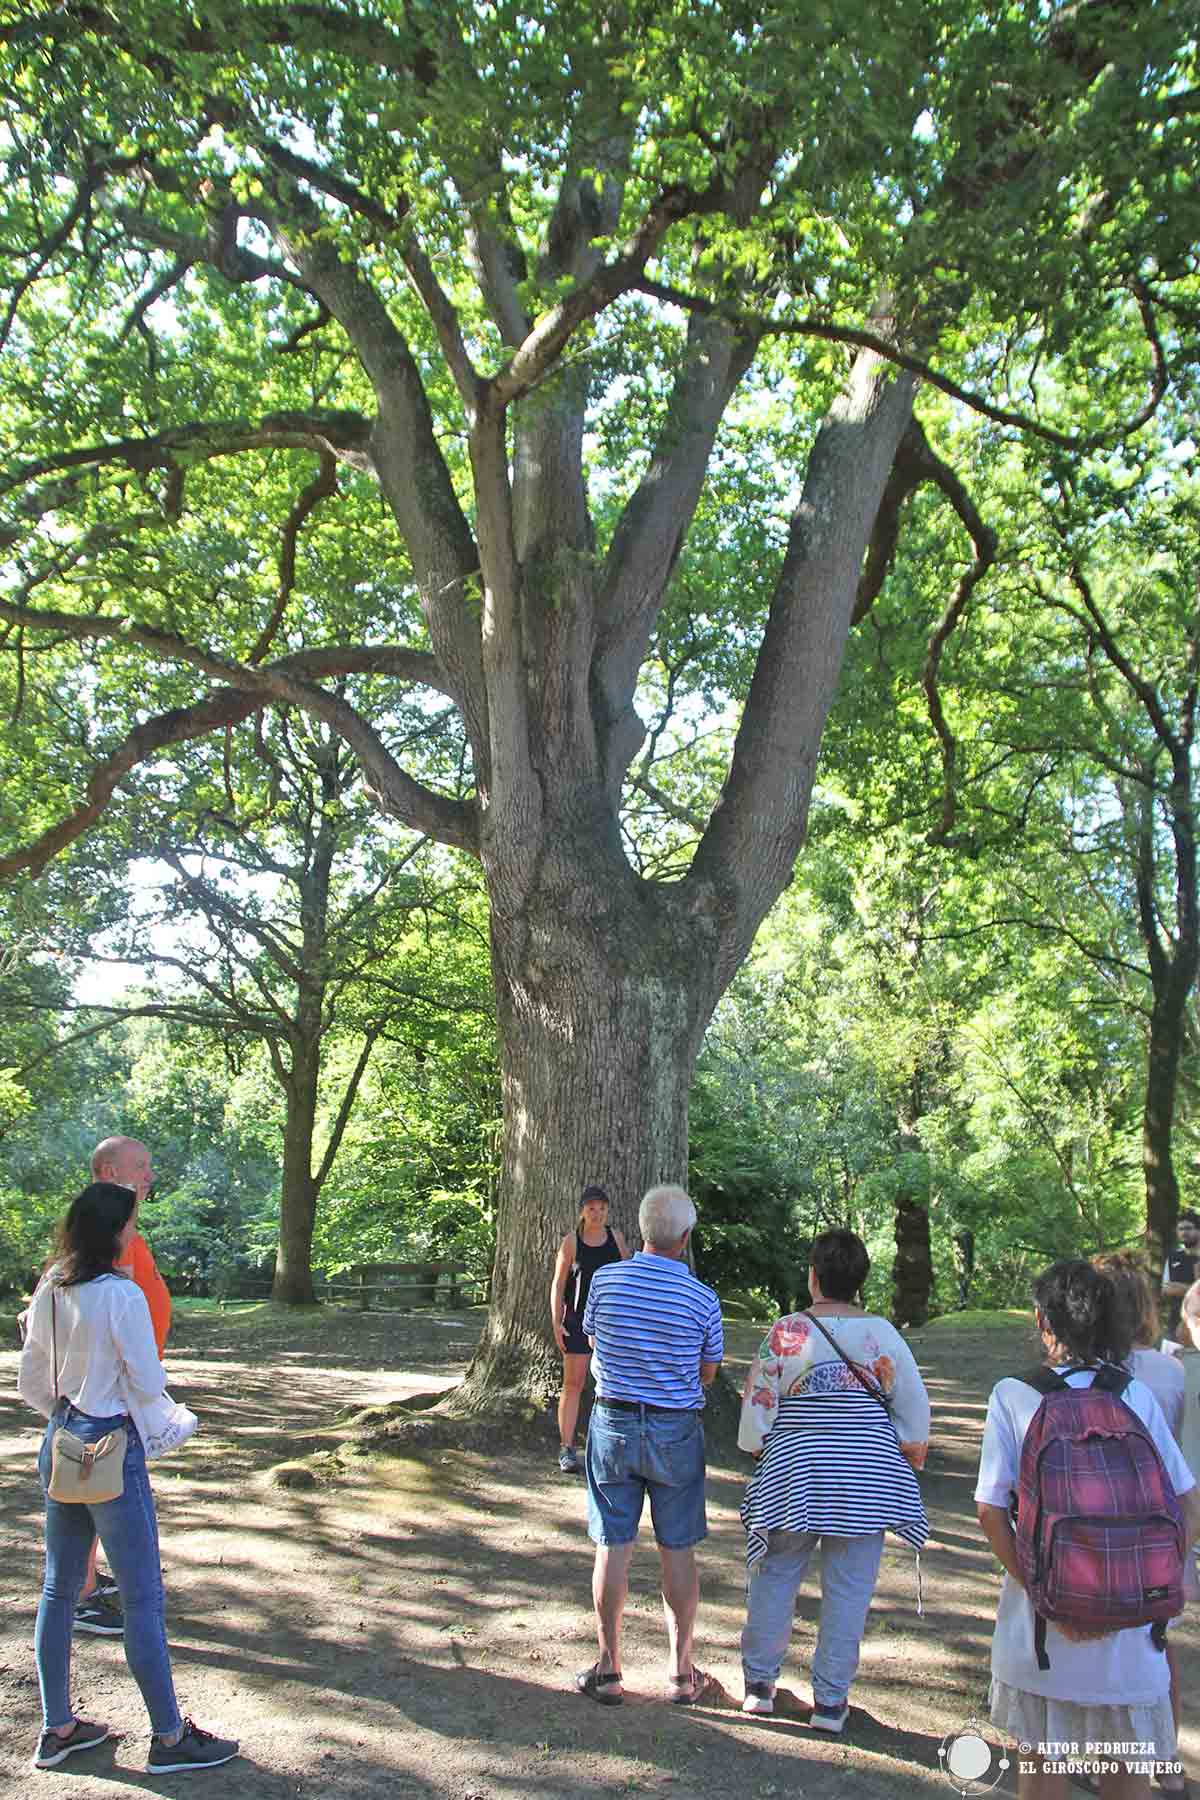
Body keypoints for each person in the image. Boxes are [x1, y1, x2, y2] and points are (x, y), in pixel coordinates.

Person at [18, 1180, 237, 1776]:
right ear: (114, 1233)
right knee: (142, 1596)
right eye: (132, 1224)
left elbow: (32, 1378)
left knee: (59, 1589)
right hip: (112, 1444)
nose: (135, 1233)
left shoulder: (51, 1290)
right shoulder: (122, 1296)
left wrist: (67, 1415)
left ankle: (57, 1727)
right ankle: (169, 1738)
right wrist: (176, 1420)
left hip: (59, 1439)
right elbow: (144, 1376)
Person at [975, 1260, 1200, 1800]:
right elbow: (1188, 1503)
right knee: (1125, 1778)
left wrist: (1044, 1590)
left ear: (1042, 1320)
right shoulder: (1135, 1395)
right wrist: (1149, 1587)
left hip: (1043, 1637)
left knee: (1043, 1777)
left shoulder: (1013, 1394)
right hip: (1129, 1637)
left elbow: (989, 1509)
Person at [736, 1228, 929, 1729]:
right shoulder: (884, 1335)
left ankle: (759, 1686)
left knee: (775, 1574)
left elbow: (757, 1414)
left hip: (793, 1471)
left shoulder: (787, 1332)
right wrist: (906, 1448)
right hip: (866, 1473)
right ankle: (830, 1702)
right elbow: (913, 1417)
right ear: (860, 1282)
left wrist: (764, 1448)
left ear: (813, 1277)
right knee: (849, 1588)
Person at [574, 1183, 723, 1707]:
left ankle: (609, 1668)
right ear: (685, 1237)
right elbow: (708, 1372)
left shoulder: (605, 1281)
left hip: (612, 1423)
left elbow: (592, 1338)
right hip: (675, 1428)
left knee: (612, 1545)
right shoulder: (703, 1299)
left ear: (640, 1229)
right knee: (677, 1547)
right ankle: (681, 1673)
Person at [1094, 1251, 1188, 1795]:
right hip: (1158, 1526)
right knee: (1158, 1646)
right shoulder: (1169, 1371)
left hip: (1099, 1526)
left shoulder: (1085, 1375)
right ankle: (1167, 1760)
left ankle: (1105, 1759)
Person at [74, 1136, 172, 1638]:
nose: (150, 1175)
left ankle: (86, 1580)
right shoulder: (101, 1236)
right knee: (94, 1486)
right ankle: (81, 1594)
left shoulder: (123, 1230)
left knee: (94, 1486)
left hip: (121, 1392)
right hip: (108, 1398)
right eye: (141, 1166)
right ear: (109, 1171)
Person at [550, 1184, 629, 1474]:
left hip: (611, 1326)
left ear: (607, 1211)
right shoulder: (572, 1241)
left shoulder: (616, 1239)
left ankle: (607, 1447)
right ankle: (567, 1447)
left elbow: (628, 1277)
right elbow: (558, 1285)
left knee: (611, 1388)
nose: (596, 1214)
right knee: (572, 1385)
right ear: (583, 1211)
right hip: (577, 1323)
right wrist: (556, 1321)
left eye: (601, 1209)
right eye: (591, 1208)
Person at [1162, 1211, 1200, 1337]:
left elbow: (1173, 1289)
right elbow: (1166, 1289)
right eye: (1181, 1229)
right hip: (1176, 1322)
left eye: (1188, 1228)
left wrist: (1182, 1288)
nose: (1184, 1232)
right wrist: (1192, 1289)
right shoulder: (1173, 1257)